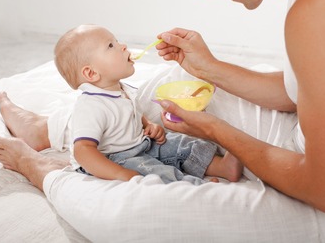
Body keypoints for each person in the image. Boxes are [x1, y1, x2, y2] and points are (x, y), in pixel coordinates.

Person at [0, 0, 325, 241]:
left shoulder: (322, 8)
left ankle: (40, 169)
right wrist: (210, 68)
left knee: (136, 214)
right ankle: (52, 128)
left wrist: (216, 131)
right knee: (171, 84)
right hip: (310, 144)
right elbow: (303, 91)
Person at [51, 24, 242, 184]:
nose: (123, 46)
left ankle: (222, 167)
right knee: (153, 172)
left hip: (141, 144)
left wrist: (148, 125)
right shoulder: (91, 106)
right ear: (91, 73)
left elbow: (128, 113)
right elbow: (83, 150)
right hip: (115, 159)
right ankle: (192, 188)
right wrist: (118, 173)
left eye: (116, 41)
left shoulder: (119, 89)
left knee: (180, 143)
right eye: (111, 45)